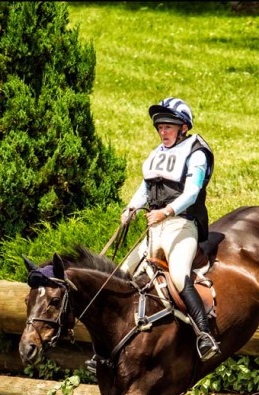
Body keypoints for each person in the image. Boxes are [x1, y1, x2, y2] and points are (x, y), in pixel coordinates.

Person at [87, 97, 220, 374]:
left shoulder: (196, 152)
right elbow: (145, 189)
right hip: (155, 227)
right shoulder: (157, 153)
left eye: (169, 127)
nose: (163, 132)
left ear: (183, 127)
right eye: (160, 127)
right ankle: (104, 351)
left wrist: (167, 212)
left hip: (182, 225)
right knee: (120, 276)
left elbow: (192, 192)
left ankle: (204, 334)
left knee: (180, 275)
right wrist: (131, 208)